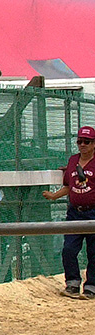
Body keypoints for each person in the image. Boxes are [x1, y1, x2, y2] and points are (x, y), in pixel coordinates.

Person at [42, 125, 95, 299]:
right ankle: (72, 284)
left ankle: (91, 287)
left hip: (93, 213)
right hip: (74, 213)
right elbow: (69, 186)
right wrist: (54, 196)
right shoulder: (73, 161)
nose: (83, 145)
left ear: (94, 144)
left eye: (87, 141)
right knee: (69, 249)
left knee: (93, 252)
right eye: (80, 141)